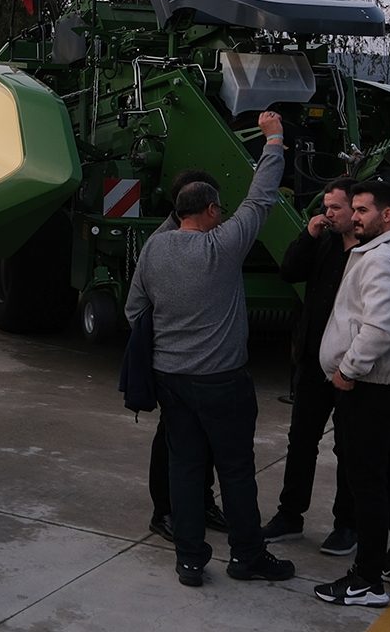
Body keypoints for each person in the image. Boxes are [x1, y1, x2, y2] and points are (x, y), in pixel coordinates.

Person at [126, 110, 295, 588]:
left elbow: (134, 310)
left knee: (185, 469)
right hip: (223, 382)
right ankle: (246, 557)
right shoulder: (224, 247)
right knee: (237, 472)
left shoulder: (154, 250)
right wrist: (274, 138)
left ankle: (190, 561)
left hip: (172, 382)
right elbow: (262, 196)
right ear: (214, 211)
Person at [312, 179, 390, 609]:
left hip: (372, 386)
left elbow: (379, 327)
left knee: (368, 483)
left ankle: (365, 580)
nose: (354, 218)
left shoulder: (380, 258)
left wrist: (348, 370)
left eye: (362, 210)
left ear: (387, 215)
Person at [263, 177, 358, 558]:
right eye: (326, 206)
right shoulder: (324, 242)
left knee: (348, 447)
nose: (328, 213)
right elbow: (289, 271)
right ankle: (290, 514)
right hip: (313, 360)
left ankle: (346, 524)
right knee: (301, 440)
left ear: (358, 210)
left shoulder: (369, 252)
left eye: (336, 207)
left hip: (352, 366)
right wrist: (308, 235)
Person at [148, 168, 227, 542]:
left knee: (199, 442)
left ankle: (200, 501)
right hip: (178, 368)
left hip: (197, 368)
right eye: (216, 207)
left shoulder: (203, 241)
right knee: (172, 444)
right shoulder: (162, 243)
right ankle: (164, 511)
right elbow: (138, 307)